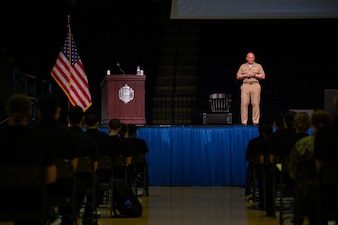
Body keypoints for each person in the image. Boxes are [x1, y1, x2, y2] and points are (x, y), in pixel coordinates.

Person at [0, 93, 57, 225]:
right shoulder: (40, 141)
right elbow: (51, 177)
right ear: (30, 112)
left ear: (8, 111)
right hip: (32, 204)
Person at [34, 93, 84, 225]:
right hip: (62, 187)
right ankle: (67, 217)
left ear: (38, 111)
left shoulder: (30, 134)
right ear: (58, 111)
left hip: (33, 188)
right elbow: (72, 168)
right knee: (79, 186)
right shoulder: (69, 135)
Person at [288, 109, 331, 225]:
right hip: (330, 188)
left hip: (304, 188)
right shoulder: (332, 143)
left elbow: (292, 169)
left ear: (312, 124)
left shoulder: (302, 144)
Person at [244, 122, 273, 207]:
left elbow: (248, 157)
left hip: (258, 169)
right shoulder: (275, 141)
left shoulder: (253, 142)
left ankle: (249, 190)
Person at [236, 52, 266, 125]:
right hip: (245, 85)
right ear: (247, 58)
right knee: (244, 103)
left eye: (252, 57)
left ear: (254, 58)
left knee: (255, 103)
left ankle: (255, 121)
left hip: (255, 85)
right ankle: (244, 122)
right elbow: (238, 76)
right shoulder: (243, 66)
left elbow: (263, 76)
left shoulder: (258, 66)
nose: (251, 59)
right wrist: (246, 75)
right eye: (249, 57)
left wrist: (254, 75)